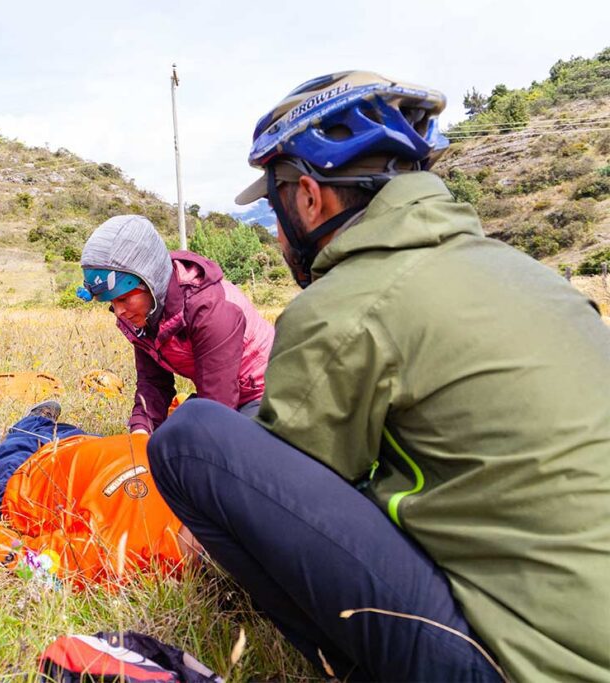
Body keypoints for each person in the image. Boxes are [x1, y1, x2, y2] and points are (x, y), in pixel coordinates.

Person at [147, 71, 610, 681]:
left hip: (511, 664)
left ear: (308, 197)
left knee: (195, 441)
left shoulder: (345, 304)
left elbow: (291, 495)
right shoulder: (535, 277)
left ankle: (343, 664)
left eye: (274, 203)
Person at [0, 403, 201, 586]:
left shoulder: (124, 555)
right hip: (81, 441)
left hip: (21, 475)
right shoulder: (204, 472)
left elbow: (27, 561)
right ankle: (35, 421)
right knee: (36, 427)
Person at [76, 215, 274, 434]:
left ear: (150, 282)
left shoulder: (207, 308)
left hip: (270, 393)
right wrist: (141, 432)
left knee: (231, 451)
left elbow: (218, 406)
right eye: (112, 302)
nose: (119, 311)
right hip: (223, 394)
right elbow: (153, 382)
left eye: (123, 299)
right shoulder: (144, 314)